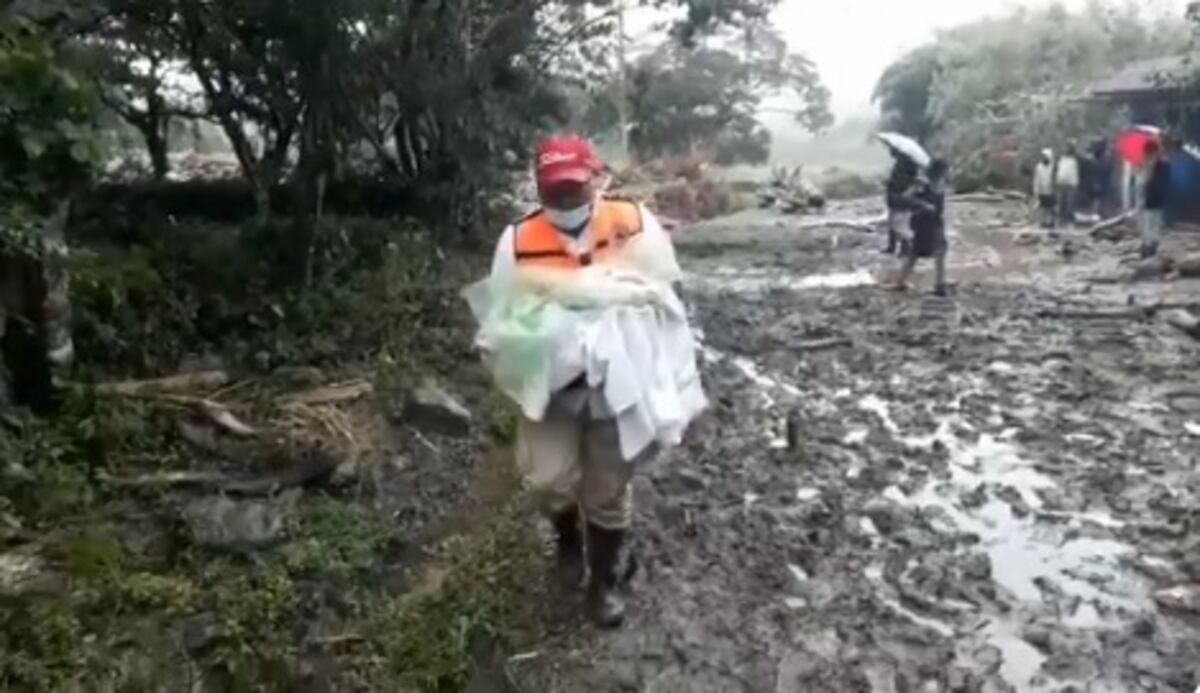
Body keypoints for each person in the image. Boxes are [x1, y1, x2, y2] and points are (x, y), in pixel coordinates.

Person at [486, 134, 681, 628]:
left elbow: (666, 294)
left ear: (595, 178)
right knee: (548, 481)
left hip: (620, 383)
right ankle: (567, 541)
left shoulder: (632, 222)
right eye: (554, 192)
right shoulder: (518, 240)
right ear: (538, 188)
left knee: (608, 489)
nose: (565, 202)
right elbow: (502, 316)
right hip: (552, 384)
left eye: (574, 189)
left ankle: (604, 581)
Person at [882, 158, 949, 296]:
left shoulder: (940, 184)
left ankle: (939, 284)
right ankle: (902, 282)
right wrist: (920, 200)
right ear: (937, 172)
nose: (944, 174)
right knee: (916, 253)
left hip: (936, 222)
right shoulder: (923, 184)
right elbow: (906, 198)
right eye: (942, 171)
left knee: (939, 252)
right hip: (923, 222)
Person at [1139, 139, 1171, 258]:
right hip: (1160, 196)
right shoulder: (1166, 162)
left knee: (1148, 221)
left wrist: (1146, 167)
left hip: (1150, 196)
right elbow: (1167, 181)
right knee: (1156, 221)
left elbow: (1146, 180)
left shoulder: (1151, 162)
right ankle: (1153, 244)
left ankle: (1148, 245)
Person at [884, 154, 919, 255]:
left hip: (901, 198)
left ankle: (906, 248)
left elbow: (908, 182)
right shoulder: (901, 163)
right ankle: (894, 247)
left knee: (900, 225)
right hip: (896, 198)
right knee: (893, 223)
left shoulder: (908, 165)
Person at [1055, 144, 1080, 227]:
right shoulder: (1061, 159)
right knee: (1061, 203)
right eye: (1066, 148)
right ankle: (1060, 221)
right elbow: (1058, 170)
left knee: (1069, 204)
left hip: (1071, 185)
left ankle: (1069, 222)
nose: (1066, 150)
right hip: (1061, 184)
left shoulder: (1075, 159)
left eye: (1068, 149)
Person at [1033, 149, 1056, 229]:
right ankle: (1043, 222)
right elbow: (1037, 179)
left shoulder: (1053, 166)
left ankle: (1050, 222)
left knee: (1051, 207)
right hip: (1042, 191)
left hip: (1051, 190)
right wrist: (1036, 190)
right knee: (1043, 207)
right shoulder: (1039, 166)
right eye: (1043, 156)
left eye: (1046, 156)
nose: (1044, 158)